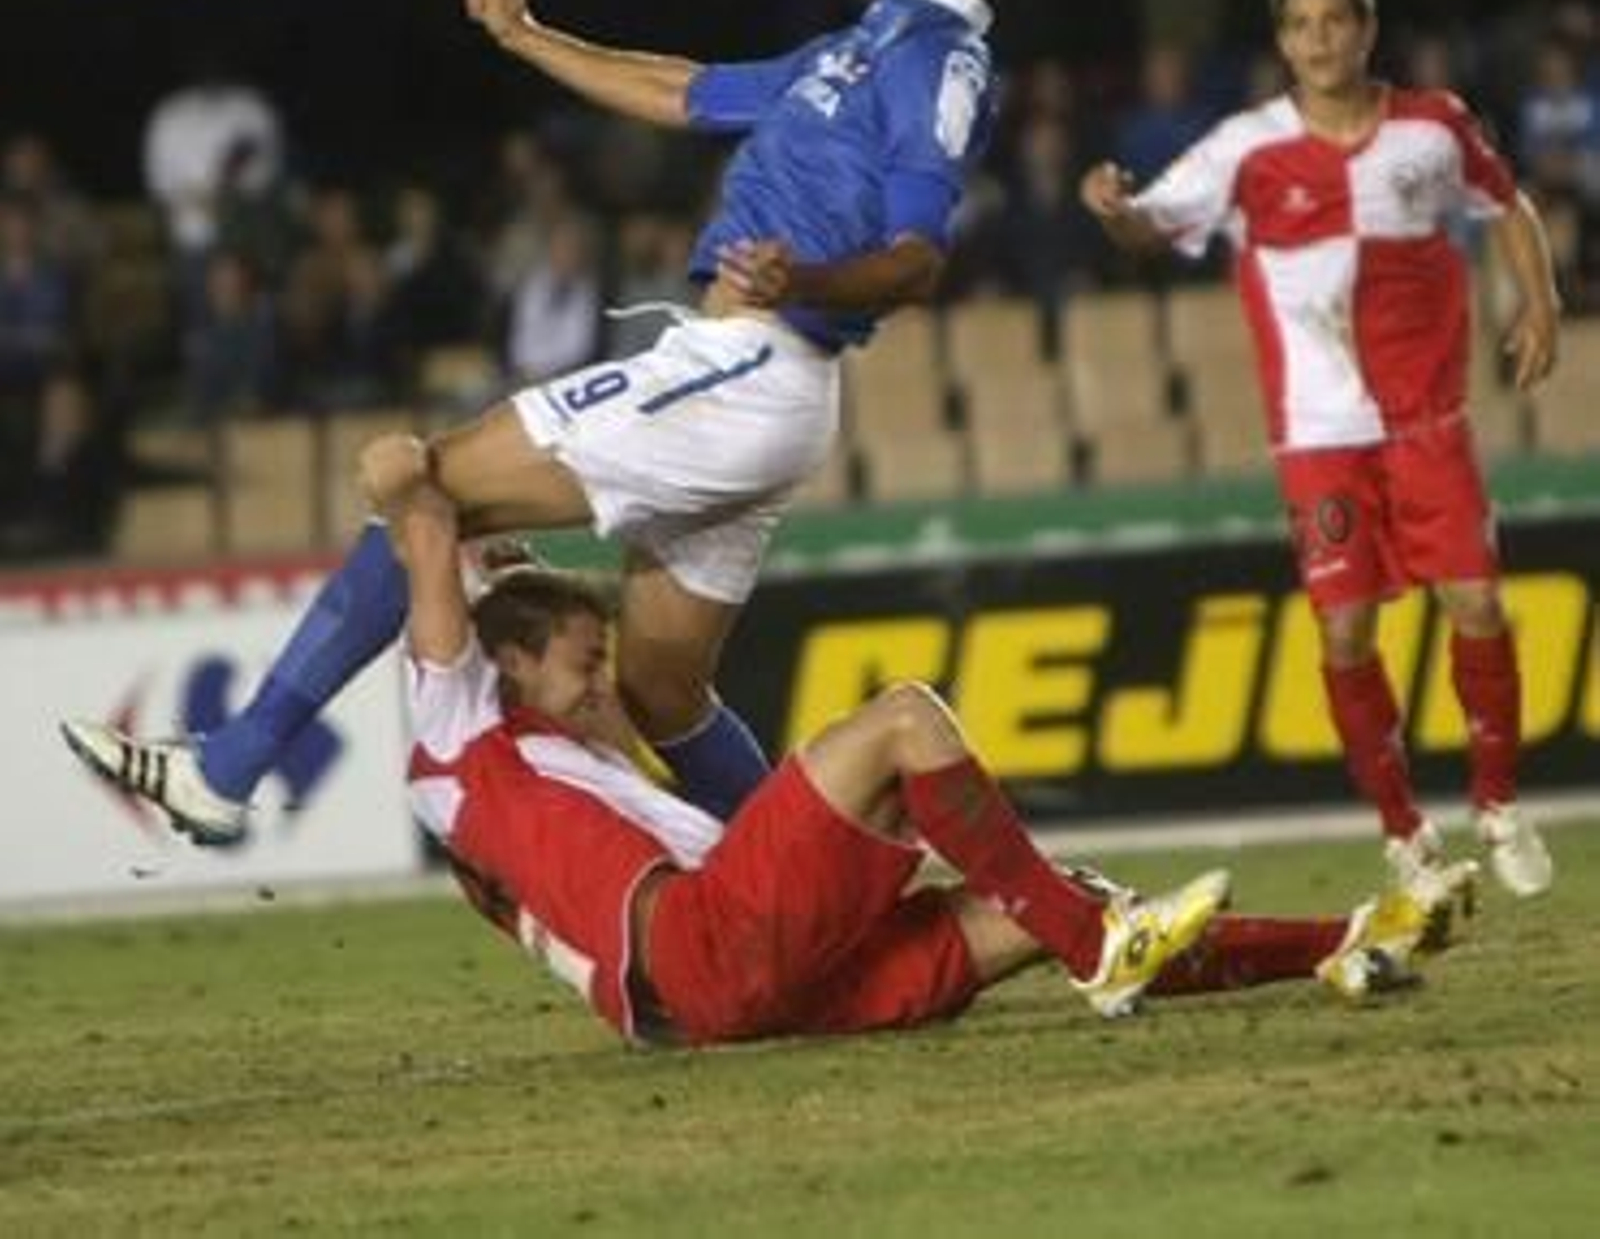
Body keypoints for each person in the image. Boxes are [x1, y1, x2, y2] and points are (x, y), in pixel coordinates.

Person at [63, 0, 1046, 845]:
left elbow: (919, 257)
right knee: (663, 695)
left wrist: (809, 277)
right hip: (756, 382)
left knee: (425, 494)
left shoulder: (941, 61)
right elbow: (683, 91)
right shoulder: (859, 47)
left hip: (747, 367)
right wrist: (529, 37)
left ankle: (228, 767)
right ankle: (837, 898)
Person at [376, 433, 1461, 1046]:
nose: (597, 686)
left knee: (1049, 899)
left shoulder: (547, 769)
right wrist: (414, 479)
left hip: (740, 996)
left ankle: (1350, 937)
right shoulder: (456, 730)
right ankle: (1096, 953)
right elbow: (419, 520)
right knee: (902, 720)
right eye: (579, 665)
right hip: (703, 950)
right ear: (506, 665)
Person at [1080, 0, 1562, 901]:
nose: (1319, 39)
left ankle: (1499, 802)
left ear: (1366, 29)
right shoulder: (1245, 148)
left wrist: (1538, 300)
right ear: (1283, 44)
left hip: (1429, 421)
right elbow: (1151, 223)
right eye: (1300, 25)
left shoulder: (1432, 127)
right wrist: (1112, 208)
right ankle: (1402, 830)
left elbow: (1507, 204)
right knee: (1345, 634)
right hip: (1318, 435)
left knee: (1477, 607)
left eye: (1334, 20)